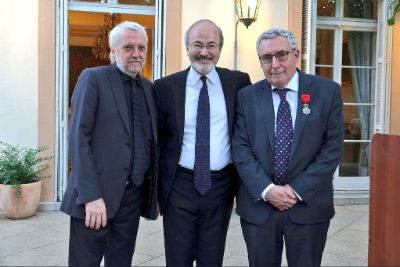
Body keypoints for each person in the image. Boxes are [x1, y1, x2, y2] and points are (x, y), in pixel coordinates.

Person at [232, 28, 344, 267]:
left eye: (281, 55)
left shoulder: (327, 92)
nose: (275, 64)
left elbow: (332, 148)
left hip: (308, 205)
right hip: (259, 207)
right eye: (266, 58)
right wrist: (267, 189)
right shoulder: (247, 96)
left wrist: (295, 190)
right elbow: (240, 148)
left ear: (296, 54)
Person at [154, 19, 251, 266]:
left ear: (220, 48)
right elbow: (158, 140)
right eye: (197, 44)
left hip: (221, 186)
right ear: (187, 47)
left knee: (212, 257)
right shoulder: (165, 87)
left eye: (211, 45)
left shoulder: (239, 83)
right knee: (178, 258)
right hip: (179, 185)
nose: (204, 52)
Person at [60, 21, 158, 267]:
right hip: (96, 199)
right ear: (112, 52)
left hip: (132, 199)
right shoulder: (93, 78)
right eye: (128, 47)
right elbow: (78, 138)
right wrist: (91, 196)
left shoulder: (149, 88)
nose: (136, 53)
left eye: (141, 47)